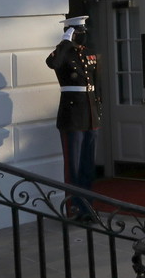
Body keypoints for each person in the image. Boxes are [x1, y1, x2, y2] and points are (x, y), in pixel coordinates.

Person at [46, 15, 101, 220]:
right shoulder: (62, 54)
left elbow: (96, 84)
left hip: (90, 115)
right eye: (79, 32)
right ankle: (75, 208)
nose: (83, 35)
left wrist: (98, 111)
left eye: (84, 31)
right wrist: (65, 41)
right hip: (73, 117)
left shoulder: (89, 53)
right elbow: (53, 63)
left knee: (87, 167)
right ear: (70, 32)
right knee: (74, 167)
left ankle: (88, 206)